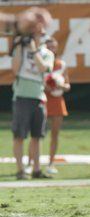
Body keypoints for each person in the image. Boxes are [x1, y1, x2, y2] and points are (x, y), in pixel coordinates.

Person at [11, 30, 54, 180]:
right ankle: (20, 170)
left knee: (37, 136)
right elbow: (15, 70)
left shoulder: (47, 53)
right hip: (22, 96)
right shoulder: (22, 51)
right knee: (19, 136)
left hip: (38, 97)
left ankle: (36, 169)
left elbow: (43, 68)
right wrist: (18, 47)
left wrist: (34, 49)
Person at [44, 37, 71, 175]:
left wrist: (60, 86)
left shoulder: (61, 64)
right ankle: (31, 163)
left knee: (55, 134)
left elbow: (67, 85)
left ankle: (51, 163)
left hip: (57, 101)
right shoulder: (41, 63)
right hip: (43, 99)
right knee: (37, 134)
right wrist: (47, 87)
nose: (51, 50)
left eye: (53, 47)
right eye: (48, 47)